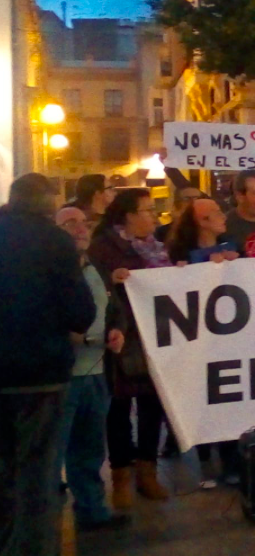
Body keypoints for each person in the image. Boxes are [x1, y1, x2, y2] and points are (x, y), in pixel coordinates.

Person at [0, 173, 96, 556]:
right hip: (40, 375)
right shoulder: (54, 241)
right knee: (37, 474)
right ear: (47, 203)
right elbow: (80, 312)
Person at [88, 189, 172, 507]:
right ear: (129, 216)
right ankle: (121, 475)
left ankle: (147, 472)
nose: (154, 216)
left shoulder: (156, 248)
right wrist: (112, 281)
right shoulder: (104, 248)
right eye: (148, 210)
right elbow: (93, 285)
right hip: (122, 337)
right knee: (119, 409)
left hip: (154, 335)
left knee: (153, 406)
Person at [54, 207, 130, 531]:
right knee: (53, 453)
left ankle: (91, 509)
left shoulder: (96, 266)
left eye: (83, 223)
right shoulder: (50, 269)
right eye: (69, 223)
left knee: (89, 449)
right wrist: (81, 339)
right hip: (64, 376)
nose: (79, 229)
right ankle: (44, 521)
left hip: (97, 373)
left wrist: (117, 330)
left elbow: (114, 308)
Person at [165, 199, 240, 487]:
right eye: (218, 213)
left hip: (228, 340)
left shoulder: (230, 247)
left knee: (227, 402)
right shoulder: (180, 253)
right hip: (197, 342)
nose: (223, 217)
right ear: (202, 221)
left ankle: (231, 464)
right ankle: (208, 464)